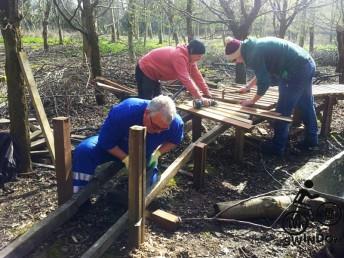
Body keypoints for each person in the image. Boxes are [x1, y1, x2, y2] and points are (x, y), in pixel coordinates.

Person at [225, 36, 318, 156]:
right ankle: (311, 140)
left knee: (282, 110)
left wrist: (252, 101)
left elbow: (264, 82)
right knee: (306, 103)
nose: (237, 62)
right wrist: (248, 87)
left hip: (296, 69)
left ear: (238, 53)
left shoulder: (253, 54)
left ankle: (277, 147)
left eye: (234, 60)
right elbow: (263, 71)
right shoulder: (253, 47)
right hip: (307, 63)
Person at [72, 95, 184, 193]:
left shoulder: (175, 123)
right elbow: (105, 141)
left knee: (148, 186)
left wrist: (158, 153)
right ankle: (78, 195)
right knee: (84, 151)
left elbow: (174, 141)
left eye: (163, 129)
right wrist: (126, 158)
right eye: (155, 126)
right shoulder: (124, 111)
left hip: (142, 155)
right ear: (146, 113)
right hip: (113, 148)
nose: (158, 131)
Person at [135, 39, 212, 105]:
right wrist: (200, 98)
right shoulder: (179, 56)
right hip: (144, 69)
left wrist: (207, 93)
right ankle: (142, 121)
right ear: (191, 51)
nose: (200, 58)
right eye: (199, 56)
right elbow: (185, 79)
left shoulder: (191, 60)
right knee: (146, 101)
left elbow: (197, 76)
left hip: (155, 75)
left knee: (157, 101)